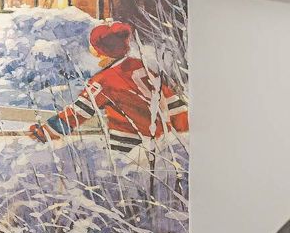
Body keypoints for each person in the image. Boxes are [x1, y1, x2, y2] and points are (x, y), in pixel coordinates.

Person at [28, 21, 189, 153]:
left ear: (100, 51)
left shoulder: (104, 80)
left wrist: (45, 132)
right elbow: (174, 104)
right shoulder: (142, 68)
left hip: (128, 148)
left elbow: (78, 112)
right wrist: (184, 134)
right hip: (162, 145)